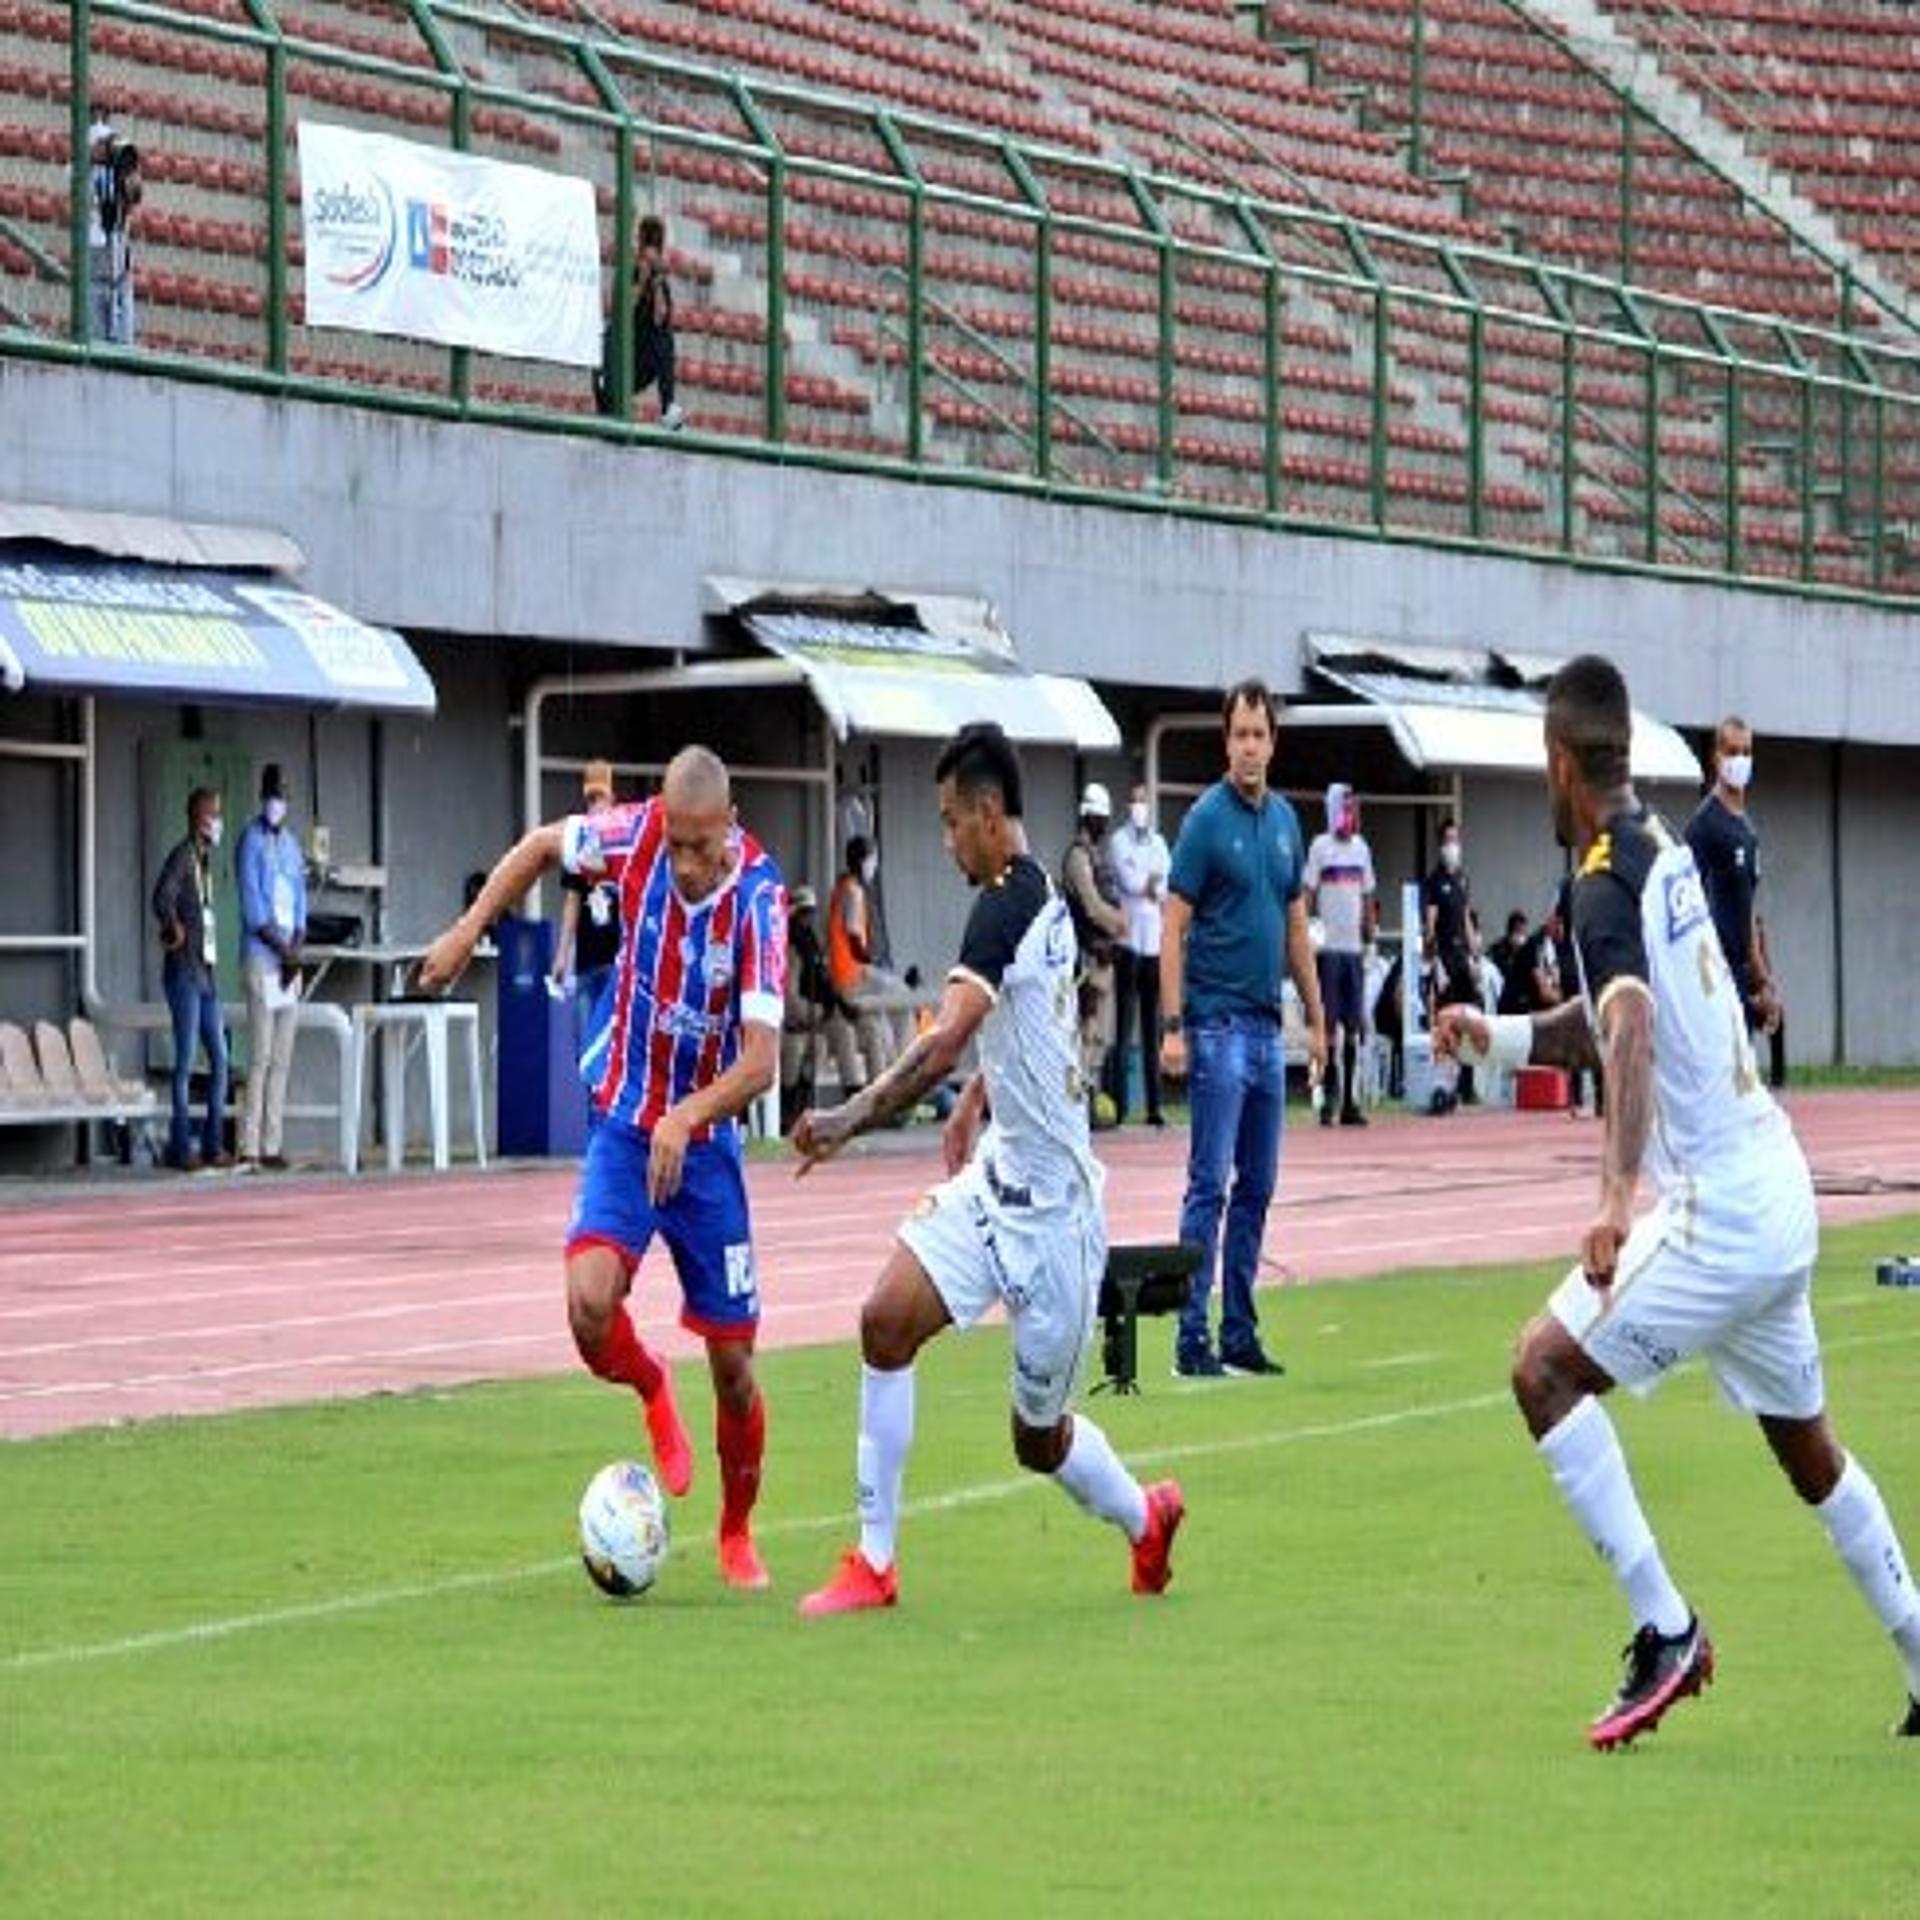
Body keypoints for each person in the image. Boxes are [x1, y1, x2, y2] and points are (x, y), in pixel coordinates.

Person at [1436, 653, 1920, 1750]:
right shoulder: (1659, 848)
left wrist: (1613, 1196)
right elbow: (1615, 1011)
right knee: (1813, 1456)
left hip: (1727, 1215)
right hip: (1779, 1190)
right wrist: (1502, 1033)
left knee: (1541, 1368)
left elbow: (1631, 1032)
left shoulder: (1601, 875)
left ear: (1558, 762)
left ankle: (1667, 1627)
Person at [791, 721, 1184, 1616]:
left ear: (986, 813)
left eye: (947, 821)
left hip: (1056, 1224)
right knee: (884, 1322)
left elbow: (944, 1043)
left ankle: (1145, 1517)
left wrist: (850, 1118)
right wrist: (982, 1100)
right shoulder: (1038, 886)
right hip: (998, 1181)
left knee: (1035, 1442)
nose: (944, 840)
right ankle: (875, 1562)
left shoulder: (1009, 900)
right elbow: (1032, 1024)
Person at [419, 747, 786, 1591]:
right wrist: (468, 930)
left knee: (735, 1369)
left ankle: (737, 1532)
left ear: (729, 827)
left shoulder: (760, 904)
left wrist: (690, 1116)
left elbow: (762, 1061)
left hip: (704, 1145)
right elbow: (543, 847)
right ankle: (652, 1386)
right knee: (588, 1306)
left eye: (700, 845)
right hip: (625, 1121)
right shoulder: (636, 837)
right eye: (676, 843)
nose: (685, 862)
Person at [1159, 679, 1327, 1379]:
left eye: (1260, 734)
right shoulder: (1205, 819)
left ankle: (1241, 1330)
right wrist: (1172, 1025)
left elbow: (1295, 927)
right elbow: (1173, 923)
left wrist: (1318, 1020)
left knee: (1257, 1184)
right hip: (1216, 1021)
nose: (1250, 747)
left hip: (1265, 1027)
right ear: (1226, 740)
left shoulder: (1287, 821)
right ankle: (1191, 1337)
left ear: (1274, 742)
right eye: (1240, 735)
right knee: (1210, 1183)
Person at [1686, 716, 1785, 1089]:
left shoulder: (1747, 830)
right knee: (1720, 1080)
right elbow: (1688, 907)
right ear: (1716, 757)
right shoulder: (1704, 826)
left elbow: (1748, 913)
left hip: (1740, 977)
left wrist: (1763, 981)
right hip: (1712, 976)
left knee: (1741, 1082)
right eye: (1732, 751)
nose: (1739, 759)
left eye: (1746, 752)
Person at [150, 786, 230, 1171]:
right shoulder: (183, 856)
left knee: (220, 1058)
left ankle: (213, 1144)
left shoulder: (205, 860)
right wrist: (173, 925)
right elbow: (160, 897)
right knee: (184, 1062)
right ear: (200, 818)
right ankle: (182, 1148)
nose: (218, 821)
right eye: (214, 814)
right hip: (183, 971)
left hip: (206, 973)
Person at [235, 763, 307, 1172]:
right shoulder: (250, 840)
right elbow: (252, 908)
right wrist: (283, 951)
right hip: (264, 958)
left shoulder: (293, 846)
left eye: (282, 795)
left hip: (288, 962)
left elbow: (299, 902)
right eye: (272, 794)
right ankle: (250, 1145)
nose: (277, 802)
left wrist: (296, 946)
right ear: (262, 796)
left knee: (282, 1057)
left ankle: (273, 1141)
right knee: (260, 1056)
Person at [1304, 780, 1377, 1127]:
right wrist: (1302, 932)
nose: (1351, 813)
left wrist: (1371, 934)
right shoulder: (1321, 847)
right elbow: (1308, 892)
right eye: (1346, 807)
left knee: (1353, 1025)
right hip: (1329, 948)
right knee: (1328, 1024)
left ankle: (1350, 1099)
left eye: (1354, 807)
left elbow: (1367, 896)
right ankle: (1328, 1098)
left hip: (1353, 949)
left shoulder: (1361, 848)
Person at [1060, 782, 1128, 1123]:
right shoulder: (1078, 856)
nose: (1104, 824)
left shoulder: (1096, 855)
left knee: (1099, 1033)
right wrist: (1119, 923)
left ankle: (1087, 1096)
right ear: (1087, 818)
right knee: (1083, 1029)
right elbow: (1091, 905)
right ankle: (1075, 1102)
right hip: (1085, 957)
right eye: (1099, 818)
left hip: (1103, 956)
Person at [1106, 780, 1171, 1127]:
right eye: (1134, 801)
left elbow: (1164, 887)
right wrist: (1149, 882)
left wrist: (1151, 884)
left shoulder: (1159, 842)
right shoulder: (1119, 841)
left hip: (1153, 942)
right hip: (1128, 940)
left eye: (1143, 801)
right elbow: (1132, 884)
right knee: (1125, 1024)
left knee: (1152, 1028)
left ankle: (1154, 1106)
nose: (1139, 807)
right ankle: (1118, 1106)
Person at [549, 759, 622, 1066]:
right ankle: (592, 1108)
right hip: (587, 961)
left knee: (615, 1043)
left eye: (600, 798)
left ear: (612, 798)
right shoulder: (580, 841)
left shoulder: (623, 840)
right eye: (590, 799)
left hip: (618, 959)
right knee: (587, 1047)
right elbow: (572, 900)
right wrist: (562, 954)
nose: (595, 806)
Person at [827, 834, 915, 1084]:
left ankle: (885, 1078)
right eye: (872, 860)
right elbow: (855, 940)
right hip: (852, 977)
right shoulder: (854, 892)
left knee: (878, 1024)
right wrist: (872, 959)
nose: (874, 866)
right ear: (862, 861)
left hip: (844, 976)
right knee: (903, 995)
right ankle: (903, 1066)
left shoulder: (841, 886)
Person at [595, 214, 684, 430]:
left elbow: (661, 317)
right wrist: (641, 280)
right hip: (619, 358)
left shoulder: (659, 281)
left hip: (642, 361)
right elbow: (621, 311)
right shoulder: (628, 272)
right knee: (604, 339)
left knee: (665, 339)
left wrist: (655, 282)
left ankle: (668, 408)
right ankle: (610, 408)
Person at [1422, 817, 1481, 1112]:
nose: (1452, 846)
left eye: (1456, 840)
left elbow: (1467, 918)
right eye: (1448, 841)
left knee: (1468, 1018)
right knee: (1445, 1021)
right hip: (1444, 957)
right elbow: (1430, 923)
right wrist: (1432, 958)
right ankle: (1442, 1086)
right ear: (1440, 845)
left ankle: (1465, 1084)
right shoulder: (1434, 882)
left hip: (1462, 958)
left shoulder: (1462, 879)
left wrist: (1474, 955)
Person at [86, 114, 141, 346]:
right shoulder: (82, 169)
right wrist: (92, 161)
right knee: (97, 324)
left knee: (123, 324)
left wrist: (127, 171)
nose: (109, 150)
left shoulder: (120, 171)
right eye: (103, 145)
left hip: (119, 251)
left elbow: (136, 195)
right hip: (95, 249)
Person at [1487, 911, 1530, 1003]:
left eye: (1524, 932)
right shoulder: (1498, 950)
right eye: (1519, 932)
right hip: (1502, 996)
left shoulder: (1528, 950)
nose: (1522, 937)